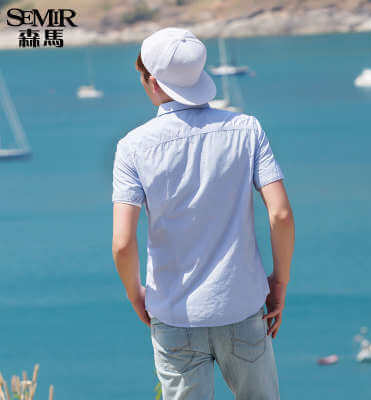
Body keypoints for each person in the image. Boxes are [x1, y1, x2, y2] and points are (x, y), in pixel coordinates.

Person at [112, 27, 295, 400]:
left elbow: (123, 242)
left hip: (174, 315)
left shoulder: (132, 148)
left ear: (153, 82)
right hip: (242, 307)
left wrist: (135, 294)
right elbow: (280, 214)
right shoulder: (247, 130)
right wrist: (279, 282)